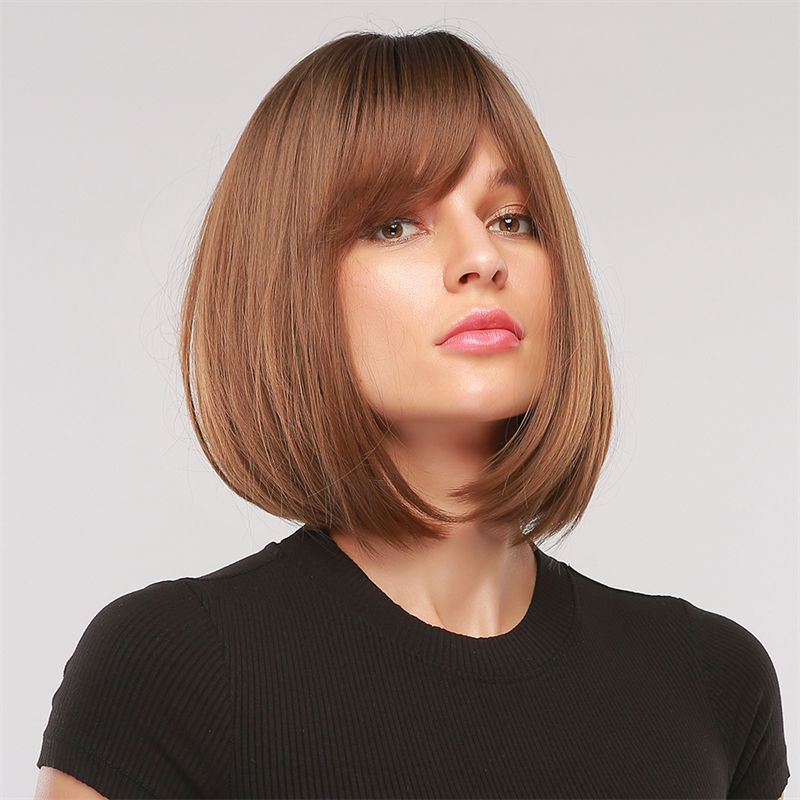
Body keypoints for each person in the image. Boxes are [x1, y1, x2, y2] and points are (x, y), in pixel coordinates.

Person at [35, 29, 789, 799]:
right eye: (395, 225)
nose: (482, 258)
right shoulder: (173, 670)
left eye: (513, 219)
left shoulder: (711, 679)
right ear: (289, 287)